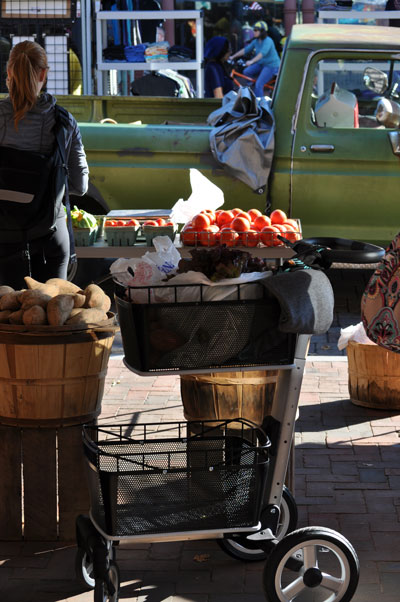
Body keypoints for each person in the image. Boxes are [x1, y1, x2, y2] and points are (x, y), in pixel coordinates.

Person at [0, 40, 89, 290]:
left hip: (3, 236)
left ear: (8, 72)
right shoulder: (63, 122)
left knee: (7, 319)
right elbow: (80, 185)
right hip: (49, 236)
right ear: (43, 73)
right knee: (50, 315)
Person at [229, 20, 280, 97]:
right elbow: (245, 50)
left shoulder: (268, 41)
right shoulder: (256, 41)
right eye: (254, 30)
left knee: (259, 84)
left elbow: (262, 54)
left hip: (271, 65)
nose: (254, 32)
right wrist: (233, 56)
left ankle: (259, 103)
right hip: (261, 64)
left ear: (262, 31)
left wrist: (251, 61)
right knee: (246, 72)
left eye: (256, 30)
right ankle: (254, 88)